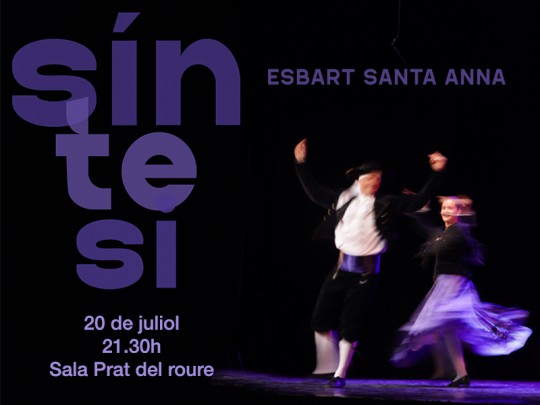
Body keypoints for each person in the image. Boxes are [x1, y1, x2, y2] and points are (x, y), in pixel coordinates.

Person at [293, 137, 448, 388]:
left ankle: (339, 374)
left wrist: (437, 173)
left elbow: (419, 200)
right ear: (358, 180)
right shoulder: (343, 199)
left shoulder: (386, 203)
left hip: (366, 274)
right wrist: (300, 164)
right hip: (340, 268)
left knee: (350, 324)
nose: (374, 182)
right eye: (369, 178)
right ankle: (327, 366)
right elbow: (314, 192)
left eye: (378, 178)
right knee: (319, 319)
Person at [390, 196, 533, 387]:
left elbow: (464, 239)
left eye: (450, 208)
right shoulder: (443, 233)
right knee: (449, 329)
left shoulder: (460, 231)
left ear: (458, 212)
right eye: (444, 208)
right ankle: (461, 374)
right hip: (442, 285)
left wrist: (467, 211)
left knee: (438, 322)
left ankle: (436, 358)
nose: (445, 211)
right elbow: (427, 230)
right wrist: (421, 211)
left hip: (455, 284)